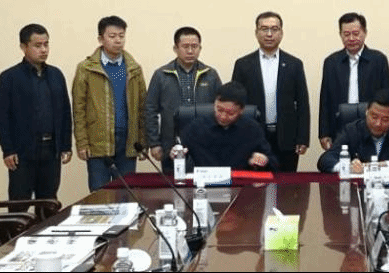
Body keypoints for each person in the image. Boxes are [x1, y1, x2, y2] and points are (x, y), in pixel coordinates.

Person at [0, 24, 72, 208]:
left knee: (48, 203)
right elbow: (2, 117)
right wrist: (8, 149)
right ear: (23, 47)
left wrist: (66, 145)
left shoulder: (56, 75)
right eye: (38, 45)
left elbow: (65, 112)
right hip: (23, 152)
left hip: (51, 150)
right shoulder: (9, 77)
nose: (43, 50)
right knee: (19, 203)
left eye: (46, 44)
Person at [72, 16, 148, 192]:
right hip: (98, 144)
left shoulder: (134, 69)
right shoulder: (87, 68)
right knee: (100, 194)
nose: (118, 40)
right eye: (112, 36)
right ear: (101, 39)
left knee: (127, 194)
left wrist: (142, 141)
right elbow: (78, 109)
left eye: (121, 36)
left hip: (128, 142)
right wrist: (82, 142)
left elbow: (142, 107)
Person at [232, 11, 310, 172]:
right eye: (264, 29)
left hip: (286, 138)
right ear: (256, 32)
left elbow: (303, 103)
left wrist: (303, 138)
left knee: (286, 183)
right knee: (254, 184)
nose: (269, 34)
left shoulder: (294, 64)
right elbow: (236, 104)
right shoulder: (243, 64)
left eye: (274, 29)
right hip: (252, 136)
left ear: (281, 33)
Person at [144, 26, 222, 172]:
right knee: (173, 184)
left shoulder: (211, 75)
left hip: (205, 143)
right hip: (171, 145)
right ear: (176, 48)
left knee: (204, 184)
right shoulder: (161, 75)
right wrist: (154, 143)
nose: (190, 51)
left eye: (195, 46)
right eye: (185, 47)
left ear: (200, 48)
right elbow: (150, 110)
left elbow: (221, 108)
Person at [318, 12, 389, 150]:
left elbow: (388, 96)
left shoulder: (378, 60)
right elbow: (325, 100)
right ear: (340, 35)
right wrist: (324, 133)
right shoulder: (331, 62)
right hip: (340, 127)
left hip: (373, 127)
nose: (351, 38)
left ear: (365, 33)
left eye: (356, 33)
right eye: (346, 34)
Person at [175, 81, 277, 171]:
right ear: (214, 104)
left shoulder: (252, 129)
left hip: (240, 183)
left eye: (230, 113)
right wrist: (175, 154)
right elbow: (177, 156)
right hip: (204, 183)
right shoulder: (196, 127)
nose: (223, 117)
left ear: (241, 110)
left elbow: (273, 163)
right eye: (219, 110)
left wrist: (264, 160)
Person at [318, 88, 389, 173]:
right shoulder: (351, 130)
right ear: (366, 112)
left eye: (385, 119)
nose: (378, 123)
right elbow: (325, 160)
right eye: (374, 117)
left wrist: (383, 165)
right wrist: (348, 167)